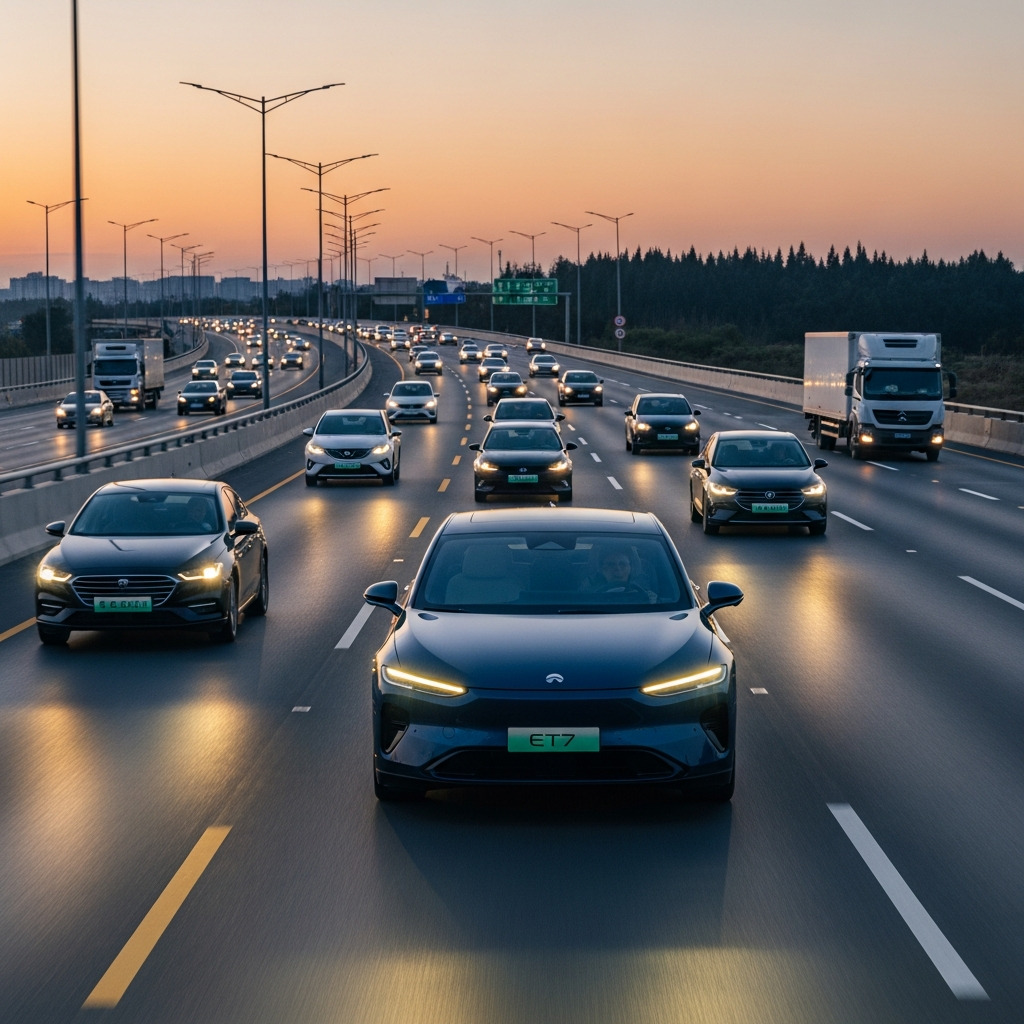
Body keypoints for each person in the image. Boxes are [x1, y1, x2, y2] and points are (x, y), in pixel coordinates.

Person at [580, 546, 656, 602]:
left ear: (630, 568)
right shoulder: (588, 594)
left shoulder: (645, 595)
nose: (618, 568)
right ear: (601, 569)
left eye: (623, 564)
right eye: (611, 564)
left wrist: (652, 603)